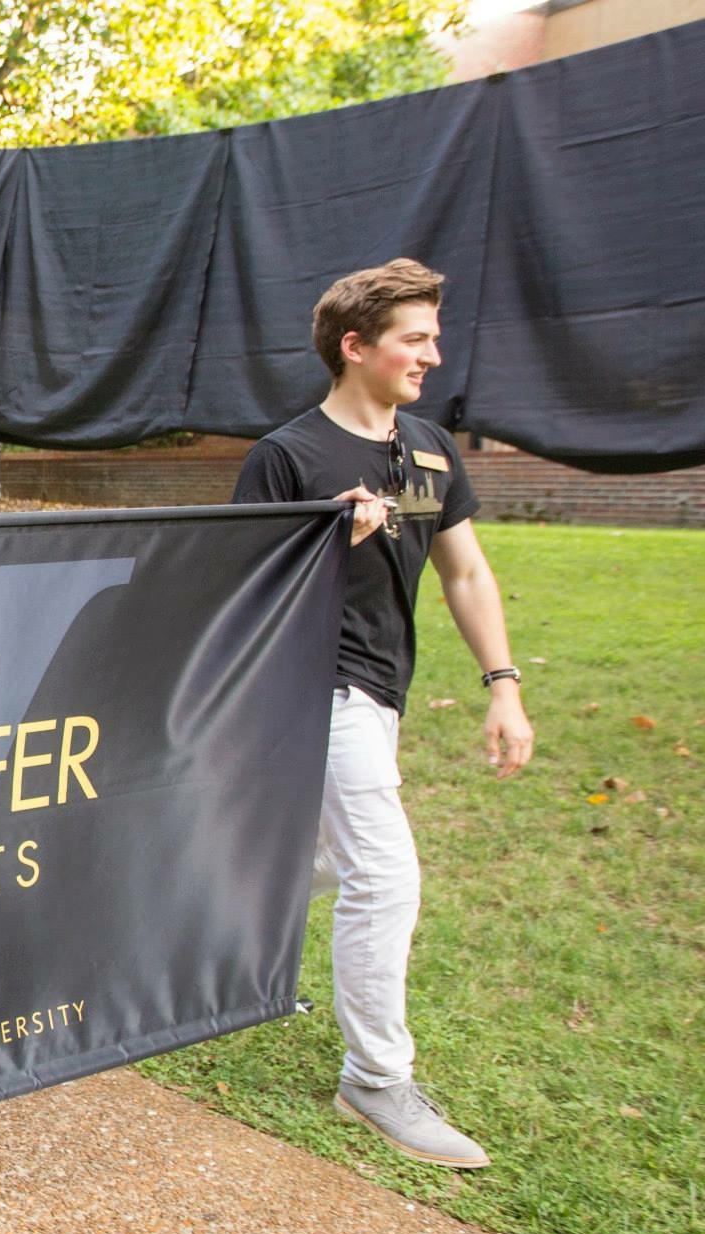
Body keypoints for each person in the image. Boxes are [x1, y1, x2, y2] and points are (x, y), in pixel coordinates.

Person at [231, 258, 534, 1170]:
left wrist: (504, 684)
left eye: (434, 338)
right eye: (416, 339)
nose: (432, 356)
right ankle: (376, 1077)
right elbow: (235, 590)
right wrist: (326, 539)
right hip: (315, 689)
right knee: (386, 872)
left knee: (317, 859)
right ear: (355, 346)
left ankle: (200, 925)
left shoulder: (427, 452)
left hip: (384, 692)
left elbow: (464, 571)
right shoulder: (287, 457)